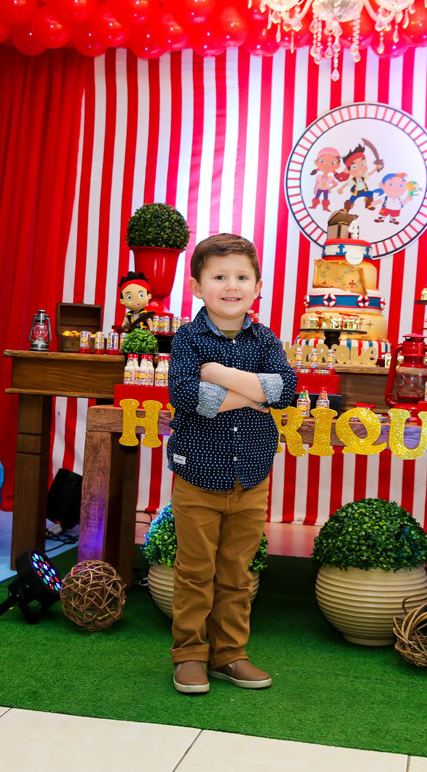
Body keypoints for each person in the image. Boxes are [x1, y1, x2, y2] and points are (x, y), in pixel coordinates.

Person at [166, 233, 297, 695]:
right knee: (195, 572)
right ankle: (189, 654)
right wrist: (255, 393)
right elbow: (187, 395)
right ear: (197, 287)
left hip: (251, 477)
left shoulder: (265, 339)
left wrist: (217, 374)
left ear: (257, 287)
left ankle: (229, 654)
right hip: (198, 476)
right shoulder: (187, 338)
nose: (231, 285)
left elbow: (285, 390)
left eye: (242, 277)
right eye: (219, 276)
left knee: (237, 573)